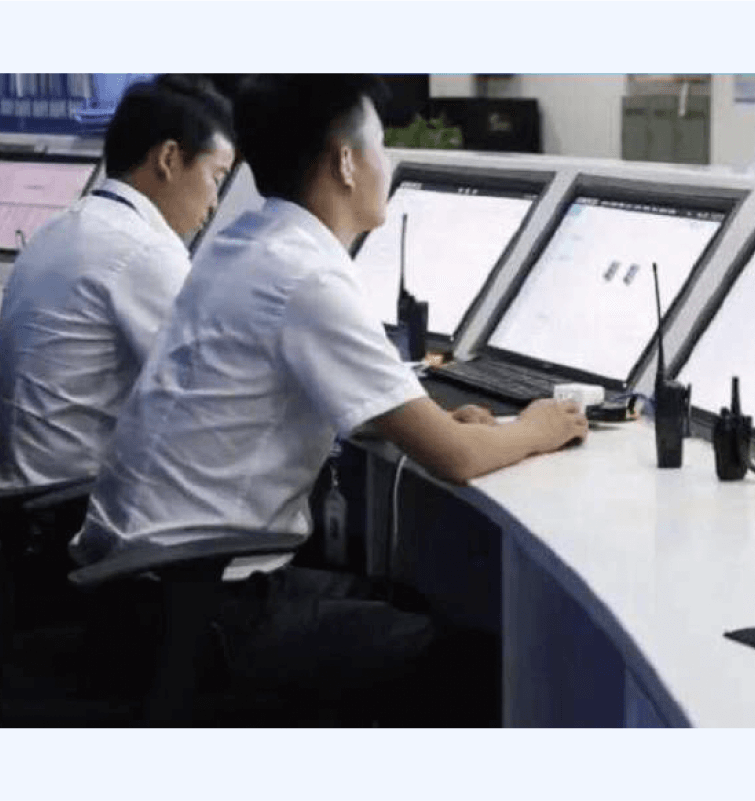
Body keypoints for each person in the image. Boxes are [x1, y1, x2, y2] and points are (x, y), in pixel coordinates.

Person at [69, 74, 587, 724]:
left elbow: (296, 391)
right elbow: (455, 458)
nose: (386, 164)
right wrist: (540, 425)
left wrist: (422, 417)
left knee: (405, 603)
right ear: (345, 162)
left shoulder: (245, 244)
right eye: (380, 145)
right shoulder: (306, 276)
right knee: (480, 665)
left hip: (145, 590)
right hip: (207, 607)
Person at [0, 74, 235, 490]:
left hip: (25, 497)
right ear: (168, 158)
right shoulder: (143, 250)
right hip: (71, 504)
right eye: (215, 178)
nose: (215, 203)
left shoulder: (58, 227)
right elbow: (213, 393)